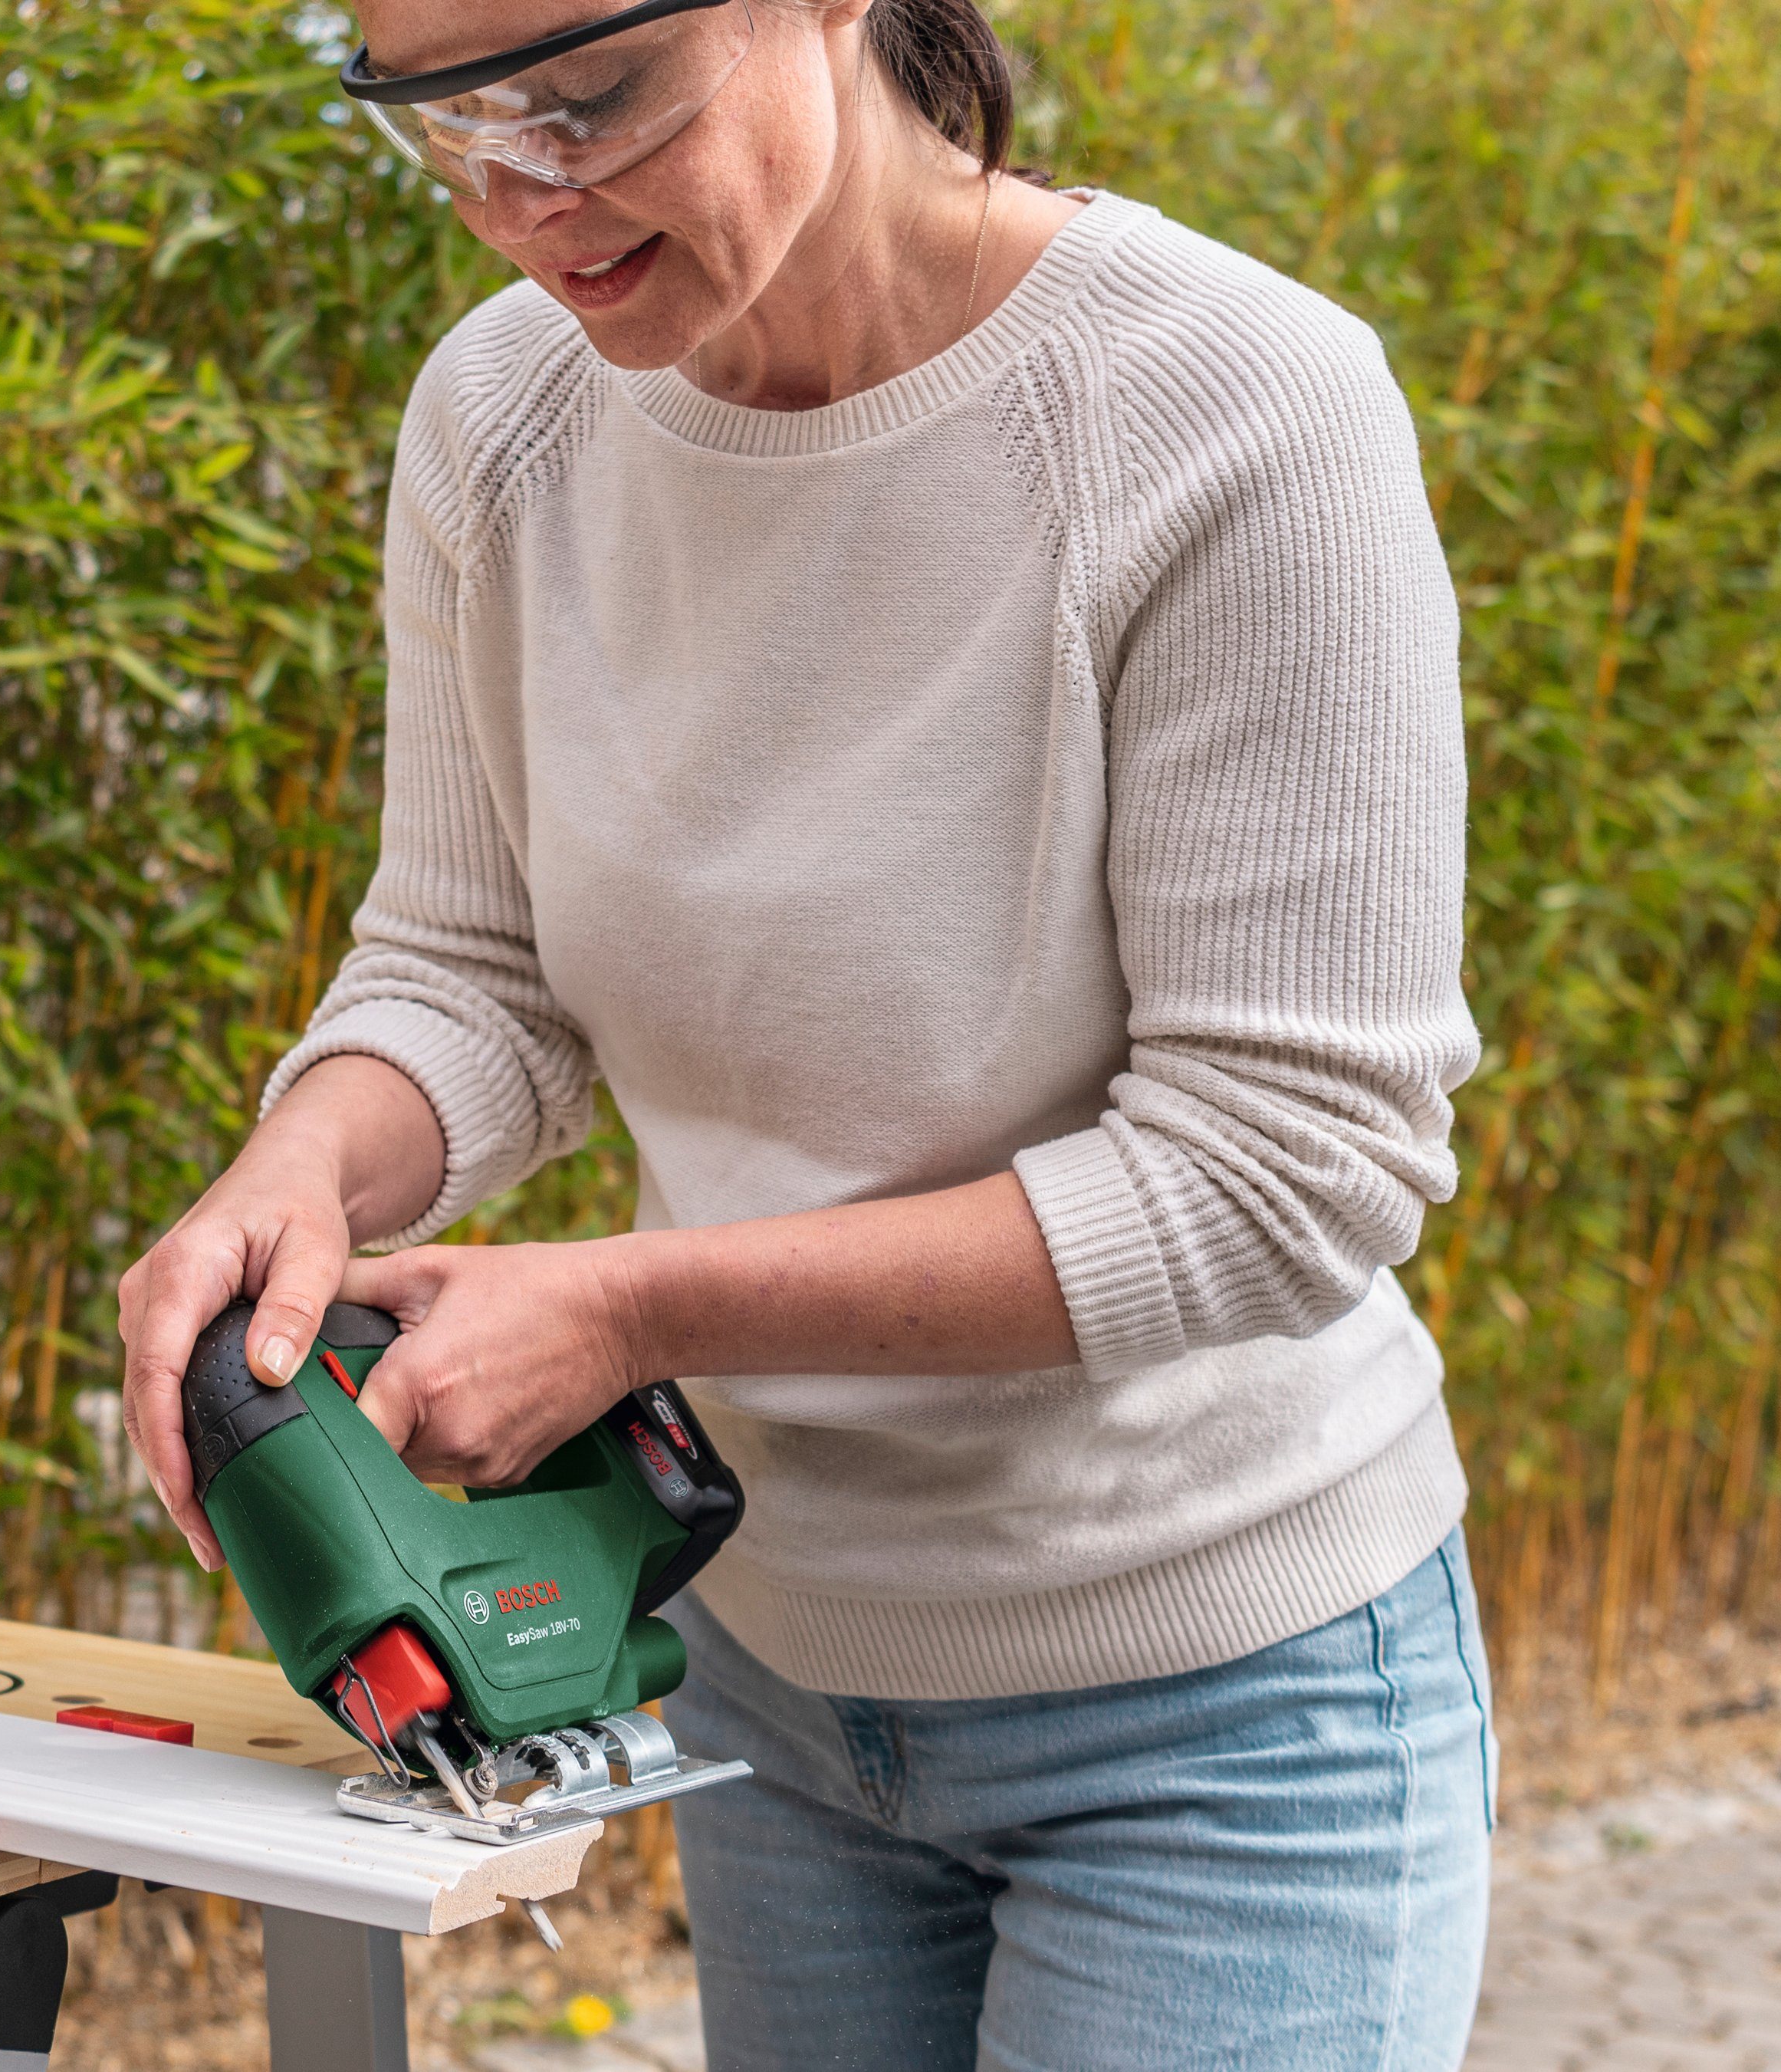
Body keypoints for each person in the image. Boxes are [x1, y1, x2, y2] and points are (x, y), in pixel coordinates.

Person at [114, 0, 1492, 2063]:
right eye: (440, 121)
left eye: (582, 100)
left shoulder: (1234, 407)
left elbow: (1282, 1174)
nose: (516, 197)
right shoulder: (503, 421)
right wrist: (298, 1162)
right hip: (769, 1695)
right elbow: (475, 971)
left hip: (1228, 1717)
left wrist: (632, 1309)